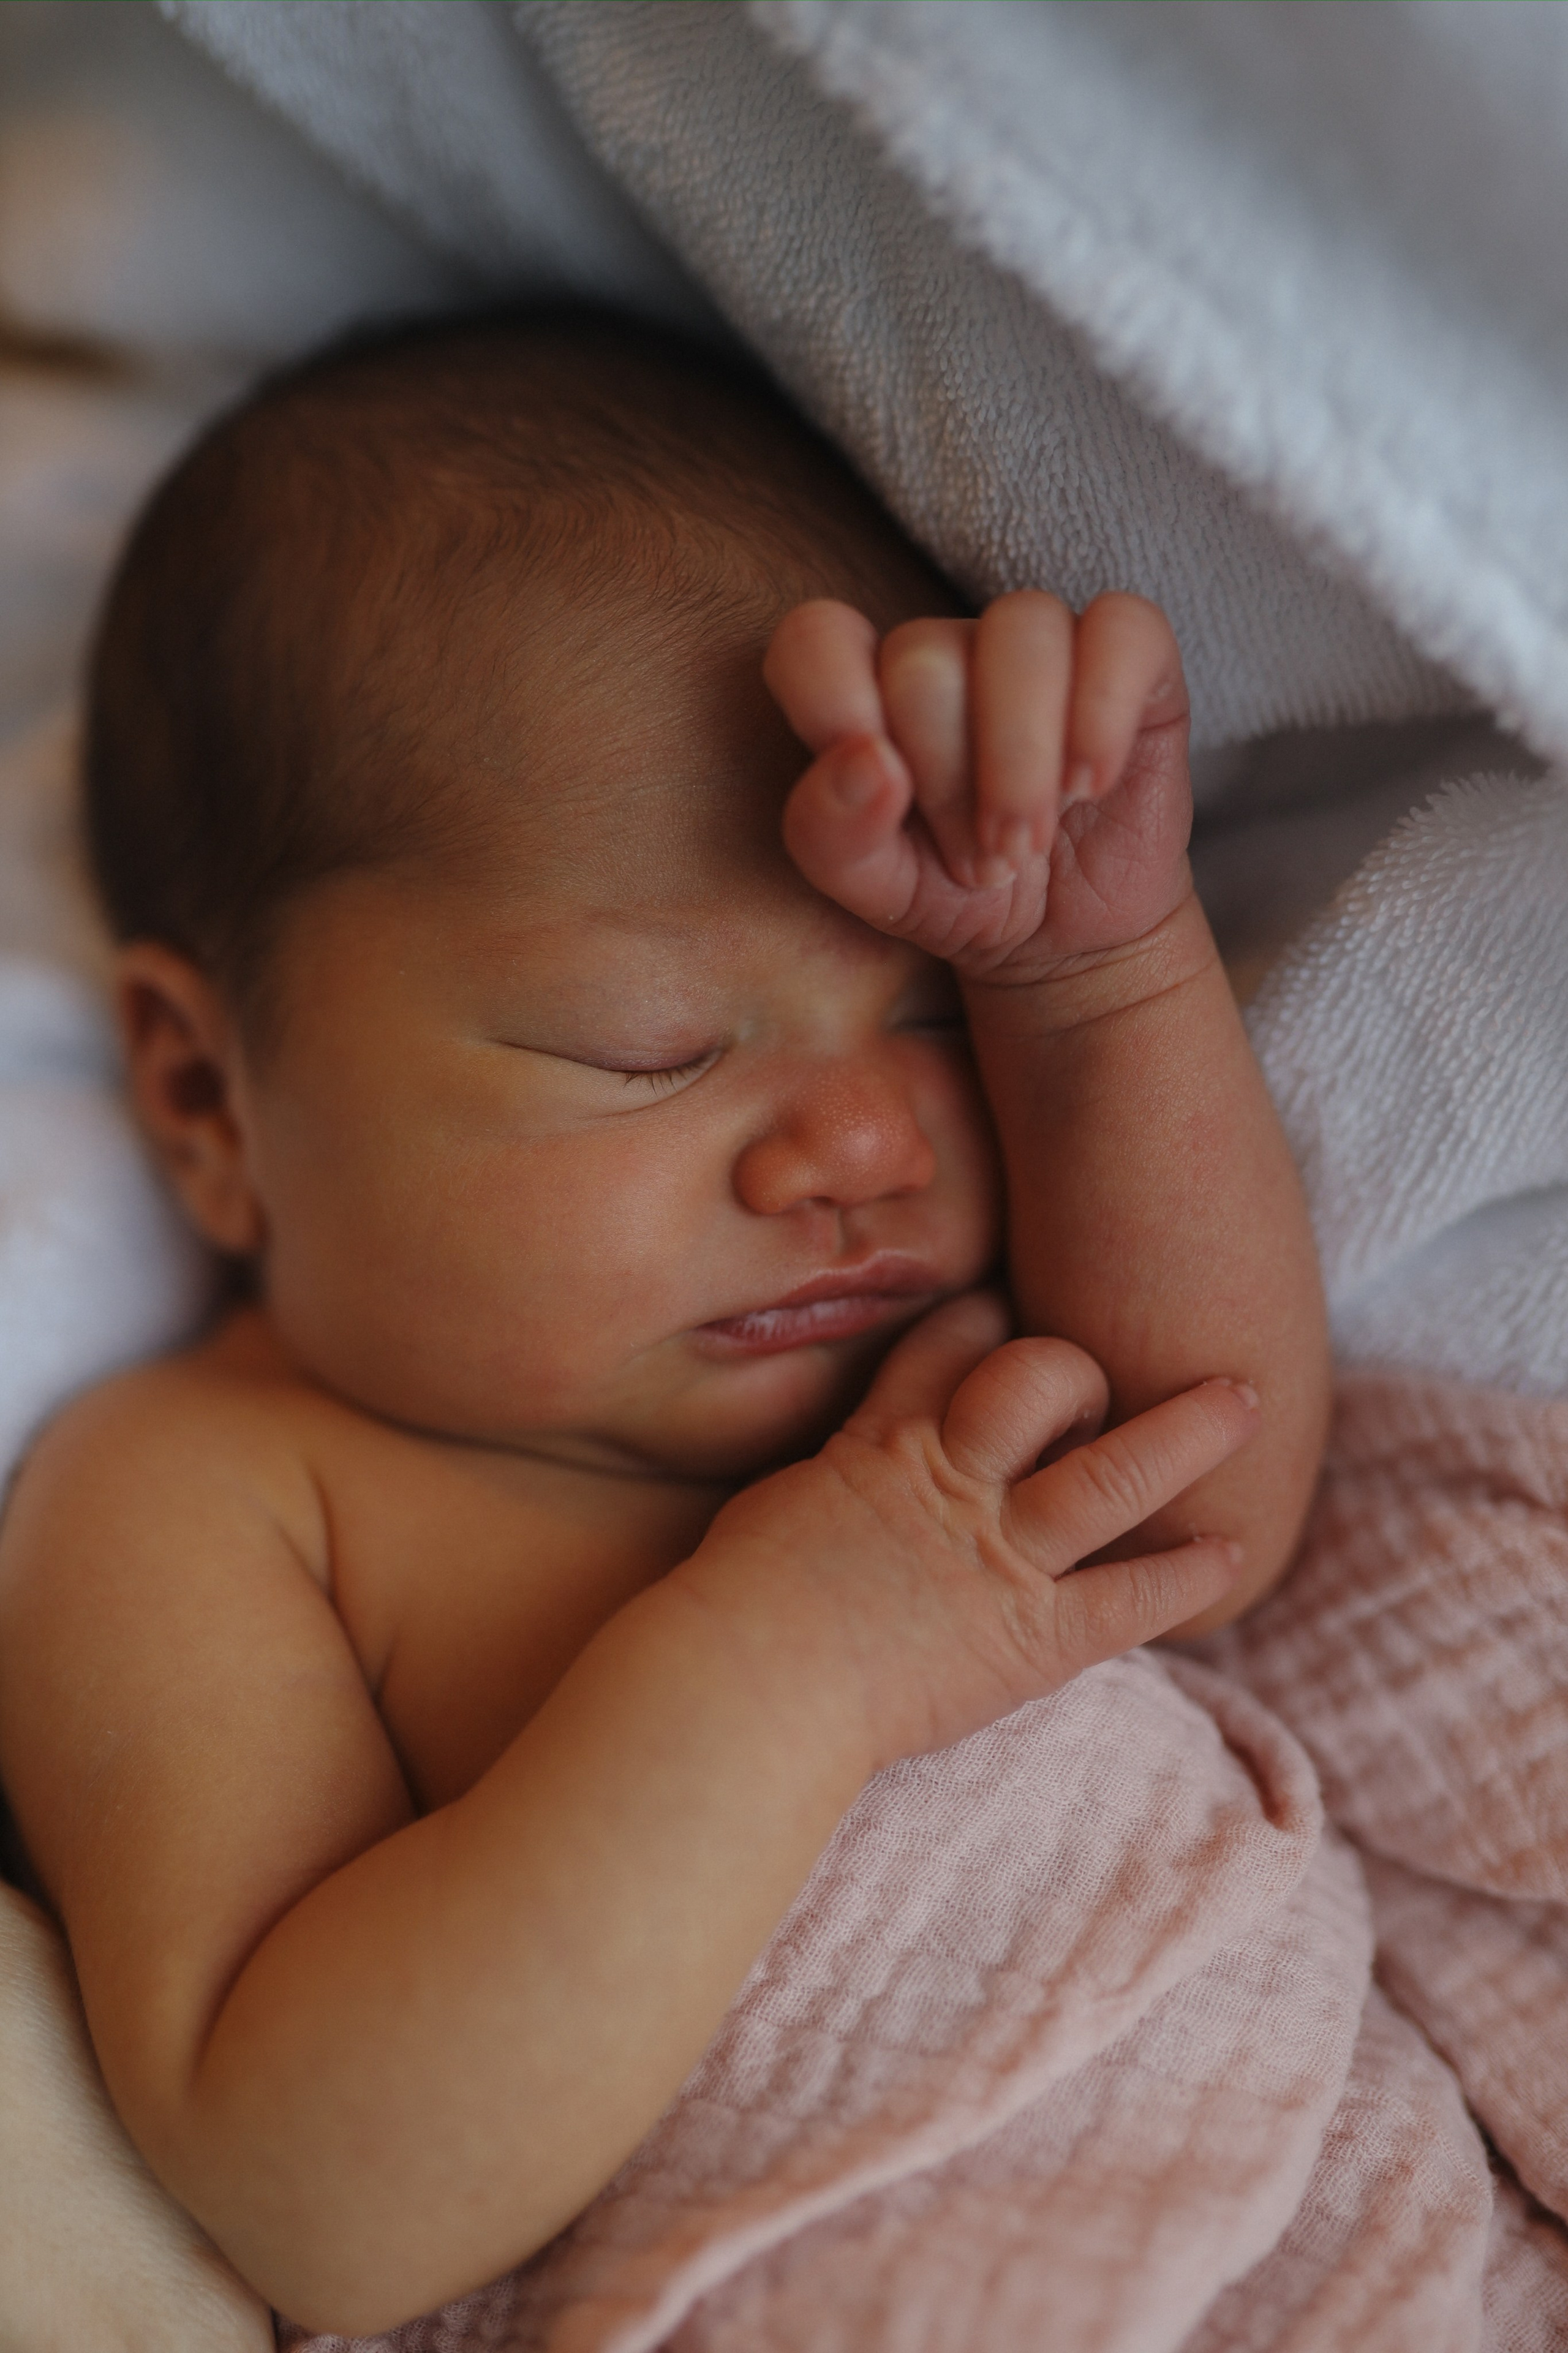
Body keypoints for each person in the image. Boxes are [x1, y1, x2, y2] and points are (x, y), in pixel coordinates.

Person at [0, 312, 1329, 2338]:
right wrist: (793, 1662)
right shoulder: (207, 1493)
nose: (868, 1137)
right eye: (653, 1051)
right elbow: (309, 2189)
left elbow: (1205, 1513)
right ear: (207, 1097)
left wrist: (1095, 970)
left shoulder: (900, 1350)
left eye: (921, 1010)